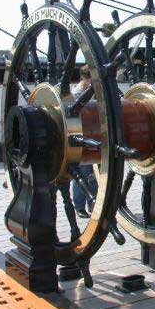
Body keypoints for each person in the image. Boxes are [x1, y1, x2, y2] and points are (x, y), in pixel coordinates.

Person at [72, 64, 95, 218]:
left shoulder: (93, 93)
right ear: (84, 78)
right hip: (82, 136)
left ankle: (92, 203)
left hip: (95, 135)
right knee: (82, 172)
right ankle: (79, 206)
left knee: (95, 174)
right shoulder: (76, 94)